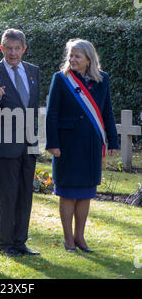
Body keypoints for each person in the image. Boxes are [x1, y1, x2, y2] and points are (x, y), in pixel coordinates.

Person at [45, 38, 119, 252]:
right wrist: (53, 144)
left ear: (89, 59)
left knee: (85, 192)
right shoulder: (61, 79)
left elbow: (107, 111)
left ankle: (80, 237)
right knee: (68, 192)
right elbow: (52, 114)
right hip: (66, 145)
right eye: (71, 55)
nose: (72, 59)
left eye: (77, 56)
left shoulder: (102, 79)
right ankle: (68, 239)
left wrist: (112, 140)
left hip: (91, 144)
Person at [0, 29, 40, 257]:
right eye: (8, 48)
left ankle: (20, 242)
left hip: (29, 144)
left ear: (24, 48)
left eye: (17, 48)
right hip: (4, 145)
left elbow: (32, 109)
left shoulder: (33, 71)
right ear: (1, 49)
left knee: (25, 194)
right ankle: (5, 245)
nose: (13, 53)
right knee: (7, 196)